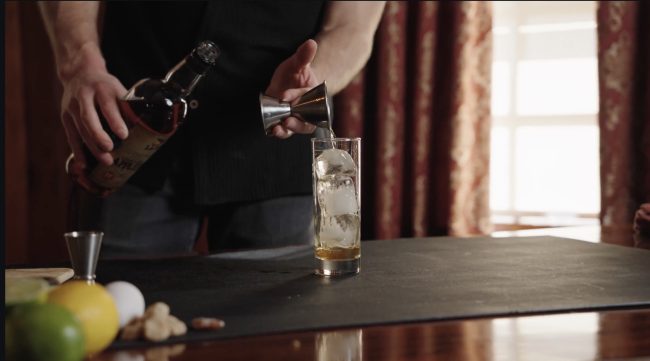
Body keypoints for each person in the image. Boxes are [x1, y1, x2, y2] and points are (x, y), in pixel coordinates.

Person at [39, 1, 386, 258]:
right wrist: (79, 62)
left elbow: (353, 27)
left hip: (274, 147)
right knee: (120, 327)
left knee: (275, 337)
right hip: (135, 132)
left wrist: (306, 84)